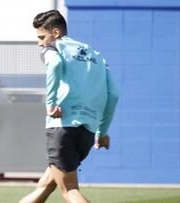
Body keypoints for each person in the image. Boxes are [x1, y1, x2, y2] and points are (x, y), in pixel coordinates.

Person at [19, 10, 119, 203]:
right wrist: (102, 132)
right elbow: (114, 94)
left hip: (62, 127)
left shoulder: (53, 48)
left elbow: (55, 65)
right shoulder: (96, 55)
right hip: (87, 134)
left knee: (69, 189)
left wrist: (51, 103)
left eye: (41, 37)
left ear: (55, 33)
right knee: (45, 186)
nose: (40, 42)